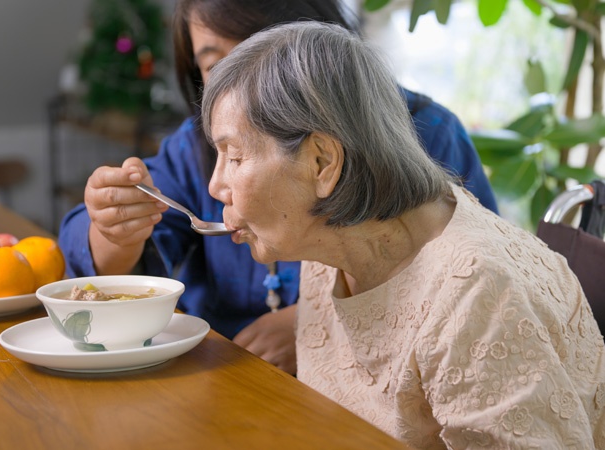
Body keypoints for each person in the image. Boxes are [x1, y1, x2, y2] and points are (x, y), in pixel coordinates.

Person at [201, 21, 605, 449]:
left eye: (235, 156)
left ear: (321, 164)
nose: (215, 185)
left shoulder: (478, 295)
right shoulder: (330, 239)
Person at [58, 0, 499, 375]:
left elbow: (469, 288)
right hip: (221, 382)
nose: (238, 84)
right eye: (216, 65)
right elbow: (98, 266)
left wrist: (320, 322)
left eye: (260, 53)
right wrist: (115, 227)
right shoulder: (193, 150)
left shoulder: (427, 134)